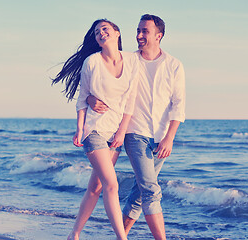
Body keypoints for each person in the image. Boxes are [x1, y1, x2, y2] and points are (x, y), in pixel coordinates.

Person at [87, 14, 186, 240]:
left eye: (145, 31)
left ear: (159, 36)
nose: (139, 35)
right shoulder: (128, 60)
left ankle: (122, 234)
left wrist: (170, 138)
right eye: (138, 30)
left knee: (140, 193)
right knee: (150, 189)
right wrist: (91, 99)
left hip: (161, 138)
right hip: (135, 132)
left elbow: (179, 105)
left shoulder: (174, 65)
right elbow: (104, 84)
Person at [51, 19, 139, 240]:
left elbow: (131, 100)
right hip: (95, 131)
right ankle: (122, 237)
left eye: (105, 29)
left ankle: (74, 233)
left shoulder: (131, 60)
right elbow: (82, 99)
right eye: (97, 32)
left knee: (95, 187)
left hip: (115, 133)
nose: (101, 33)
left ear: (117, 33)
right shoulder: (92, 62)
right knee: (112, 184)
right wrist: (79, 130)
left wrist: (122, 131)